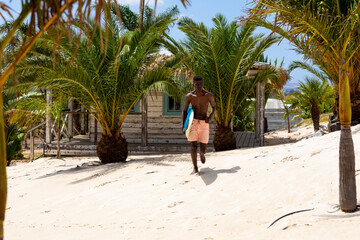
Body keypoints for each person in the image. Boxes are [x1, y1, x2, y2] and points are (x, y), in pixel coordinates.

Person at [182, 76, 216, 175]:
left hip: (204, 123)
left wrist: (209, 117)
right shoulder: (189, 96)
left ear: (202, 84)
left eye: (200, 84)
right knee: (193, 145)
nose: (199, 86)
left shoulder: (208, 95)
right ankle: (195, 168)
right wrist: (183, 125)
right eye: (196, 84)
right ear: (193, 85)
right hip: (193, 122)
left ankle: (202, 154)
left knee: (203, 147)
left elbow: (214, 107)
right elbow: (184, 111)